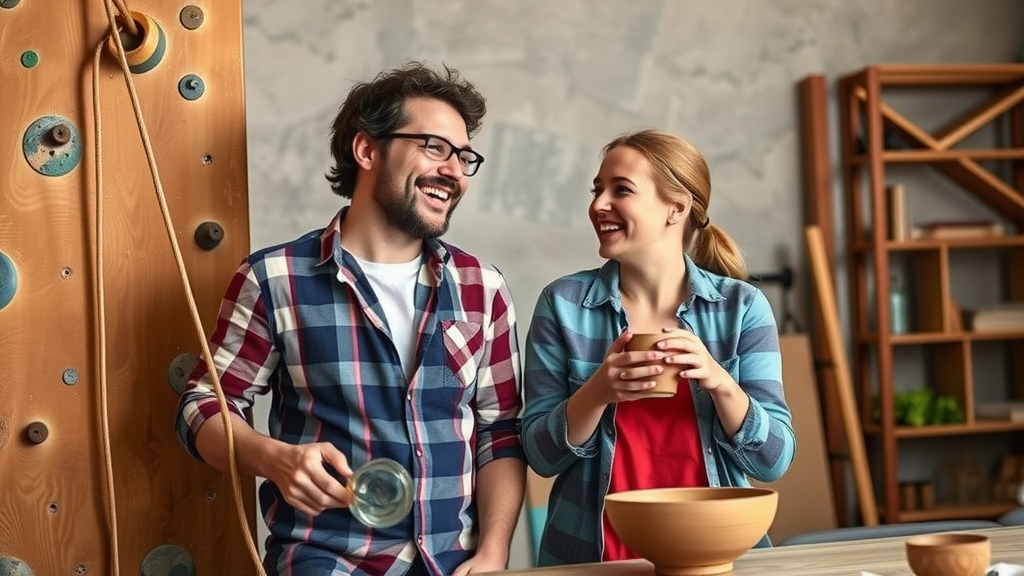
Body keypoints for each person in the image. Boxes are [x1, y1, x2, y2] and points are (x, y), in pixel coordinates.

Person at [175, 61, 526, 576]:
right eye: (434, 147)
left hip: (454, 566)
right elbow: (203, 405)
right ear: (367, 150)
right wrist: (273, 458)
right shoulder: (275, 278)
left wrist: (493, 553)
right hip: (328, 560)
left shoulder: (483, 288)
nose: (454, 171)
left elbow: (501, 433)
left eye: (464, 156)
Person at [521, 129, 795, 565]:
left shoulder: (741, 308)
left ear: (677, 207)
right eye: (597, 190)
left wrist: (721, 383)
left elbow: (774, 461)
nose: (598, 204)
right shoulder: (564, 304)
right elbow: (539, 456)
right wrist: (597, 391)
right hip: (595, 560)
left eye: (621, 190)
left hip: (715, 557)